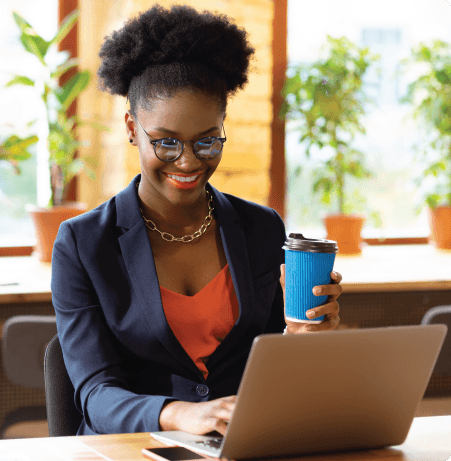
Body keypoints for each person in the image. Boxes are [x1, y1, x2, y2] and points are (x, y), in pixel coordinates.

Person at [50, 4, 343, 436]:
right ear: (132, 127)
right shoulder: (83, 243)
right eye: (166, 142)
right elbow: (95, 392)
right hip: (133, 448)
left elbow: (269, 370)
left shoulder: (261, 229)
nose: (187, 162)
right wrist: (180, 414)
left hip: (239, 444)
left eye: (207, 142)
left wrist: (302, 341)